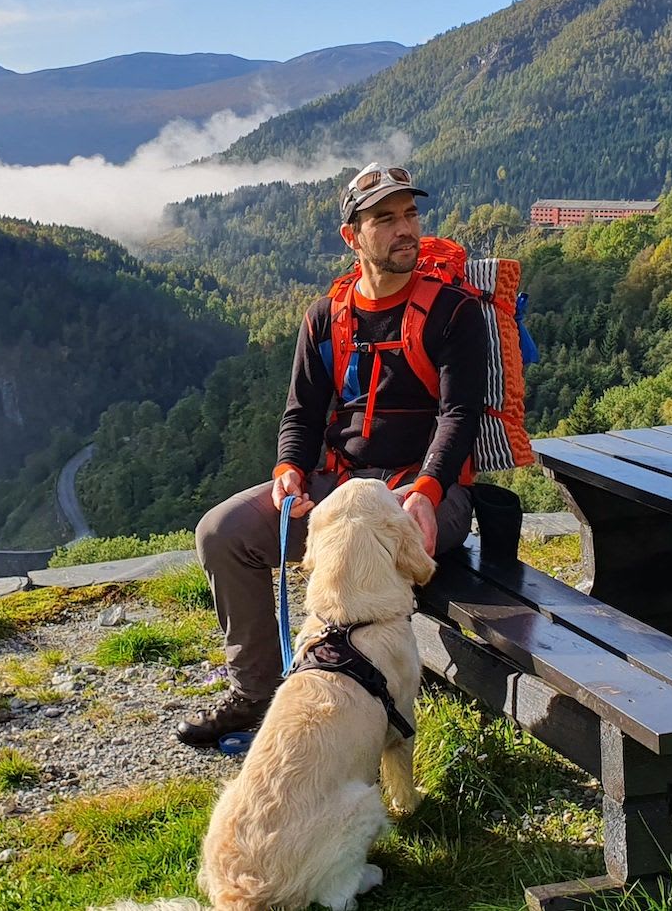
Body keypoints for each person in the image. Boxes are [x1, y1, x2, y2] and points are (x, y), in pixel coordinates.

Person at [175, 163, 489, 747]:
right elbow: (301, 412)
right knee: (222, 533)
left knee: (358, 543)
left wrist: (426, 491)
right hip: (339, 490)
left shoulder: (453, 312)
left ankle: (362, 707)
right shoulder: (326, 317)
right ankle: (257, 696)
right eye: (385, 219)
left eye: (410, 214)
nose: (405, 230)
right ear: (353, 236)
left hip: (420, 495)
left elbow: (458, 416)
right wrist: (290, 470)